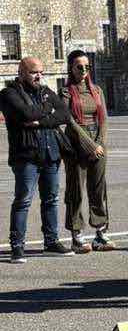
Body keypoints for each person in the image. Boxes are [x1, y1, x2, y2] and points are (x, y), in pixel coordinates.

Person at [2, 56, 73, 262]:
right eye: (34, 72)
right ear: (21, 72)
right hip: (26, 157)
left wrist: (41, 121)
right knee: (23, 200)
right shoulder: (8, 94)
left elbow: (65, 114)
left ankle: (51, 242)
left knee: (51, 199)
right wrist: (48, 109)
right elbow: (26, 113)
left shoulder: (45, 91)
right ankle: (17, 246)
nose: (39, 76)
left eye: (41, 72)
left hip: (50, 153)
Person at [63, 49, 113, 252]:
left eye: (87, 66)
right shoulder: (66, 92)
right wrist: (90, 146)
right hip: (76, 143)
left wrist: (99, 144)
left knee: (99, 189)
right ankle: (77, 236)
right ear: (71, 68)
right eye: (79, 67)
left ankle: (100, 233)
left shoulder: (97, 90)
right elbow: (70, 122)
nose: (84, 70)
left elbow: (104, 119)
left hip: (98, 142)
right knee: (76, 190)